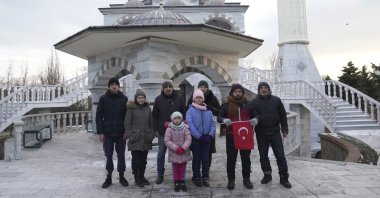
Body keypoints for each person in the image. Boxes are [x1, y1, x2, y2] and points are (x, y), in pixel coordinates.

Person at [250, 81, 292, 188]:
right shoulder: (254, 102)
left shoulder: (276, 100)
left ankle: (284, 177)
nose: (264, 89)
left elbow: (282, 116)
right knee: (263, 156)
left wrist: (285, 129)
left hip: (275, 132)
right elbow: (250, 117)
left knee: (280, 156)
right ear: (259, 90)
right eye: (262, 88)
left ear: (268, 89)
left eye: (265, 87)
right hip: (261, 133)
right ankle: (267, 175)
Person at [217, 83, 257, 190]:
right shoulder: (226, 104)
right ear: (232, 93)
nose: (237, 93)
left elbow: (256, 115)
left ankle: (246, 178)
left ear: (242, 93)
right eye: (235, 92)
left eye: (239, 91)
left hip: (246, 136)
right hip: (231, 135)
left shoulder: (248, 104)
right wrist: (224, 120)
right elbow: (219, 117)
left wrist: (255, 120)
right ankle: (231, 180)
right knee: (231, 158)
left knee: (246, 158)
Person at [96, 77, 129, 188]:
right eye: (112, 84)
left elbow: (127, 117)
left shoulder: (124, 98)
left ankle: (122, 176)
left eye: (116, 84)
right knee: (108, 156)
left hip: (120, 133)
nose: (114, 86)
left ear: (118, 86)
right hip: (108, 133)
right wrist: (100, 132)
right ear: (109, 86)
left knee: (121, 156)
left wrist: (126, 131)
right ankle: (108, 177)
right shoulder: (103, 99)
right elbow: (99, 116)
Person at [152, 81, 186, 184]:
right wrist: (155, 130)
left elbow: (184, 113)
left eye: (170, 87)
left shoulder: (179, 98)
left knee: (177, 155)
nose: (168, 89)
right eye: (166, 87)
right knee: (161, 154)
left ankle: (178, 177)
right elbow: (154, 116)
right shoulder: (158, 99)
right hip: (163, 132)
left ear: (173, 88)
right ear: (162, 88)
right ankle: (160, 174)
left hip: (177, 132)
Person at [124, 89, 155, 187]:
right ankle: (136, 177)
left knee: (143, 160)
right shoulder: (131, 109)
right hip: (135, 138)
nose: (141, 99)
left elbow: (151, 122)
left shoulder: (148, 108)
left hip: (146, 138)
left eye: (142, 98)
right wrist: (130, 135)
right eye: (139, 98)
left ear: (145, 99)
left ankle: (142, 176)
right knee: (136, 159)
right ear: (136, 99)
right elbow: (127, 123)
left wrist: (151, 134)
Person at [186, 80, 221, 168]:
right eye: (201, 86)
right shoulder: (193, 96)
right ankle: (197, 171)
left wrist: (211, 108)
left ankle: (206, 170)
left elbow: (219, 111)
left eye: (205, 87)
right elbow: (188, 109)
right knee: (197, 153)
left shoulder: (212, 97)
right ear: (198, 87)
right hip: (196, 129)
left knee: (208, 152)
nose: (203, 88)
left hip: (208, 128)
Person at [186, 89, 216, 187]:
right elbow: (190, 125)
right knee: (197, 158)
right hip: (196, 139)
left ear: (203, 99)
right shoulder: (190, 110)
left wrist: (210, 135)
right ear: (194, 99)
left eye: (200, 97)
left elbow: (213, 124)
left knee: (206, 159)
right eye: (197, 97)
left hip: (207, 139)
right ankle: (196, 177)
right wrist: (199, 136)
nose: (199, 99)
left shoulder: (208, 111)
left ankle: (206, 177)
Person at [164, 111, 192, 192]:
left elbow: (188, 139)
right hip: (174, 152)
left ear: (181, 119)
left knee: (183, 167)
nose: (177, 120)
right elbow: (167, 140)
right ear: (172, 120)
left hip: (184, 152)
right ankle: (176, 181)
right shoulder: (169, 129)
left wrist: (183, 148)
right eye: (175, 118)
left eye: (178, 118)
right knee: (175, 168)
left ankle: (182, 181)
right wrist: (176, 148)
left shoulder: (185, 128)